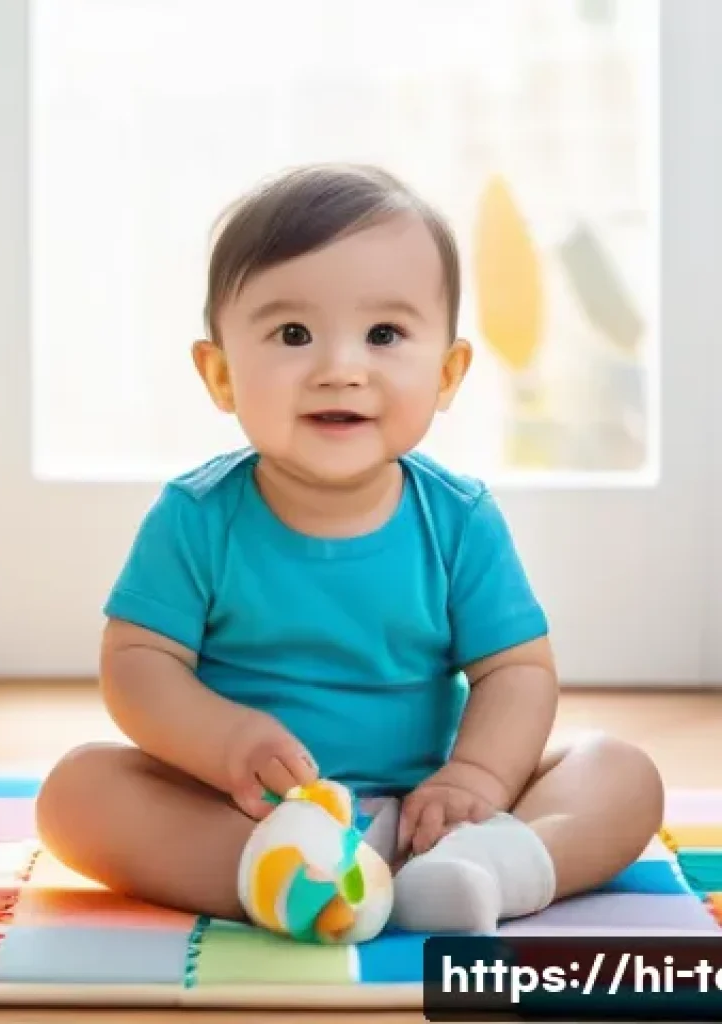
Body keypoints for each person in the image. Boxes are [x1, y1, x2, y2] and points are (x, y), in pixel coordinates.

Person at [36, 163, 664, 936]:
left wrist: (474, 778)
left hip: (433, 815)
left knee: (620, 772)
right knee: (77, 793)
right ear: (221, 373)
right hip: (251, 814)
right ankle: (282, 881)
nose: (341, 368)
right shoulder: (197, 517)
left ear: (446, 373)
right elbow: (137, 662)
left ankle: (491, 870)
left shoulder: (457, 520)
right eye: (293, 334)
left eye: (384, 335)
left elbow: (515, 672)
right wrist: (222, 740)